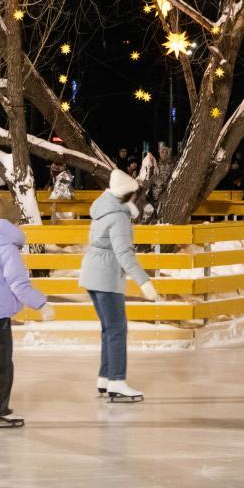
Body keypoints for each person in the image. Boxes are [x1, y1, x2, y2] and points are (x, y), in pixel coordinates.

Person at [0, 194, 55, 428]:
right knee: (2, 363)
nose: (19, 225)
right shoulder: (7, 249)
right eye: (17, 222)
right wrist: (42, 304)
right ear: (9, 223)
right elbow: (19, 285)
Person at [80, 170, 160, 402]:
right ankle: (117, 380)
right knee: (117, 329)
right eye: (134, 196)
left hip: (93, 275)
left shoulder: (103, 210)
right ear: (126, 196)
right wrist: (144, 282)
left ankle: (105, 378)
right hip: (106, 277)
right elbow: (125, 254)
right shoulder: (118, 217)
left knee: (109, 328)